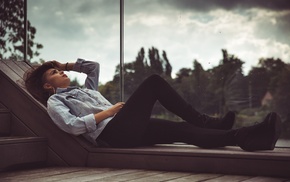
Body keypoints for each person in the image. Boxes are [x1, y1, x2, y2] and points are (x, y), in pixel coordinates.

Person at [24, 58, 282, 151]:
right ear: (48, 86)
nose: (62, 74)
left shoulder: (83, 90)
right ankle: (205, 120)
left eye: (60, 71)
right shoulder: (56, 101)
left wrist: (66, 65)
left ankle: (247, 137)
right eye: (55, 74)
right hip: (113, 133)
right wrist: (109, 111)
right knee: (154, 82)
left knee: (183, 131)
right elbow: (72, 126)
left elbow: (93, 67)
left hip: (126, 128)